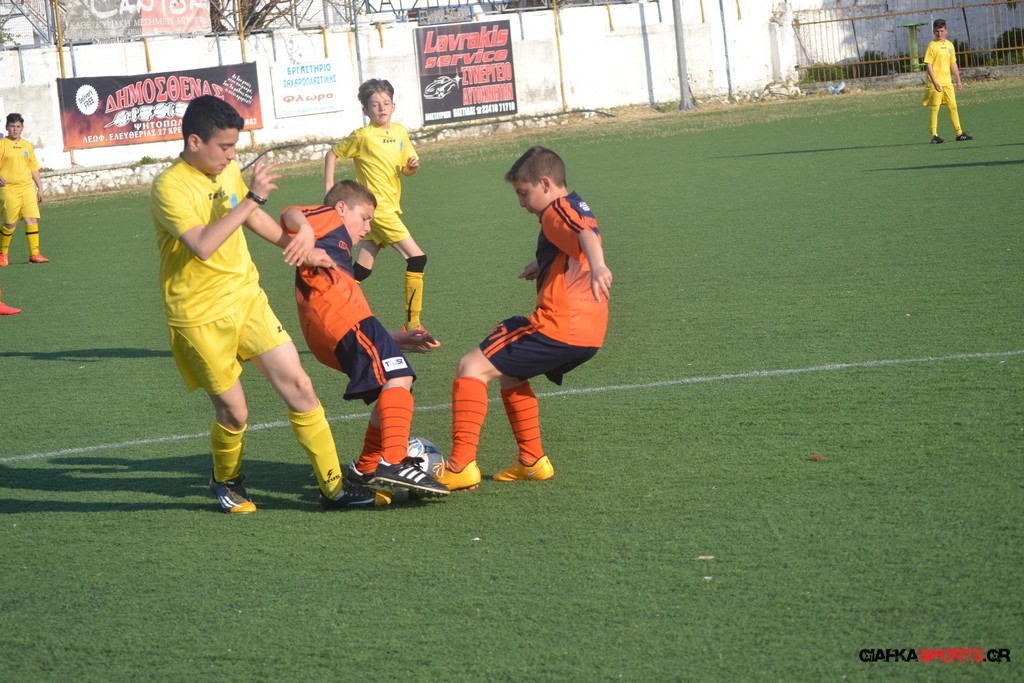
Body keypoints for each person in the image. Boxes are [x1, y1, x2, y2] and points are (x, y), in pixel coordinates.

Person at [152, 95, 375, 513]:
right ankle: (226, 479)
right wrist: (252, 199)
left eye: (234, 147)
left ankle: (334, 490)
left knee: (301, 387)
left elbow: (251, 218)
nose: (231, 156)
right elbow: (203, 245)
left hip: (247, 299)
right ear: (195, 141)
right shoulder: (169, 187)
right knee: (235, 414)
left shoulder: (227, 170)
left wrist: (300, 248)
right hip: (198, 316)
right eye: (224, 147)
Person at [437, 147, 612, 491]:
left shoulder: (555, 211)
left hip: (559, 326)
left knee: (471, 366)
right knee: (510, 372)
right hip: (589, 333)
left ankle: (460, 466)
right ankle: (532, 462)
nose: (521, 203)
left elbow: (585, 236)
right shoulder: (575, 204)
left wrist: (600, 266)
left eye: (523, 192)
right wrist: (544, 264)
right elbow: (577, 241)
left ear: (545, 184)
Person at [279, 180, 449, 501]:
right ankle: (394, 461)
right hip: (339, 319)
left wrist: (394, 339)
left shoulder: (339, 248)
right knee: (399, 376)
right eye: (365, 218)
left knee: (390, 388)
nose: (368, 227)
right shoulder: (330, 217)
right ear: (342, 208)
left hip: (339, 325)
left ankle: (365, 469)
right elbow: (290, 212)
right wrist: (304, 229)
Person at [323, 79, 439, 347]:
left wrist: (411, 167)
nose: (381, 108)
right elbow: (332, 154)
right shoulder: (362, 136)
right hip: (378, 210)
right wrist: (329, 189)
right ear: (366, 110)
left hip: (385, 208)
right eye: (375, 105)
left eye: (386, 103)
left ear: (393, 106)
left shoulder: (400, 132)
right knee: (417, 258)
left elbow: (406, 169)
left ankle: (336, 317)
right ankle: (413, 326)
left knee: (361, 271)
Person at [0, 113, 47, 266]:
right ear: (7, 127)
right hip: (8, 189)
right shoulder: (2, 144)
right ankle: (2, 254)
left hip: (26, 188)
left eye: (18, 126)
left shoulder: (27, 145)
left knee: (31, 219)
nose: (15, 129)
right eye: (12, 126)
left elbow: (33, 168)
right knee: (10, 223)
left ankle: (35, 254)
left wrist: (40, 188)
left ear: (22, 128)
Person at [923, 19, 973, 144]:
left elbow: (953, 63)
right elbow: (928, 65)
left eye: (942, 31)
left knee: (953, 106)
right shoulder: (932, 46)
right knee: (935, 108)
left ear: (946, 31)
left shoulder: (950, 45)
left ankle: (959, 133)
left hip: (947, 82)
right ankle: (933, 136)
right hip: (936, 83)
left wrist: (958, 80)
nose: (940, 34)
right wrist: (934, 82)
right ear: (934, 32)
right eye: (937, 31)